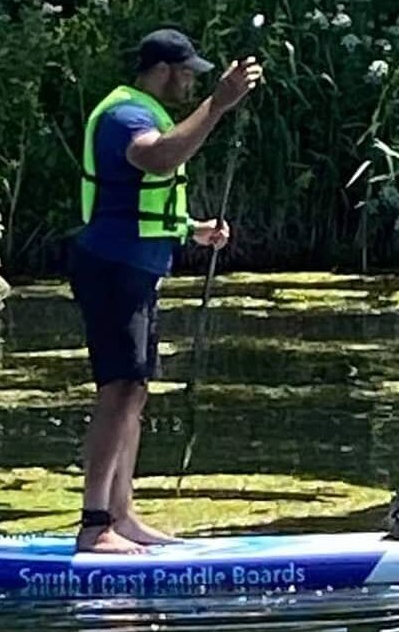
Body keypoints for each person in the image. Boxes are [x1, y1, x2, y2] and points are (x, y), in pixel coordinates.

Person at [69, 27, 264, 553]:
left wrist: (191, 229)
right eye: (186, 73)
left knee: (134, 389)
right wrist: (217, 104)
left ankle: (122, 516)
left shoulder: (144, 110)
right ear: (162, 70)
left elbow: (140, 200)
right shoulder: (125, 114)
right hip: (111, 267)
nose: (189, 82)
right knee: (117, 390)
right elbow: (157, 158)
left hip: (136, 265)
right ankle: (94, 527)